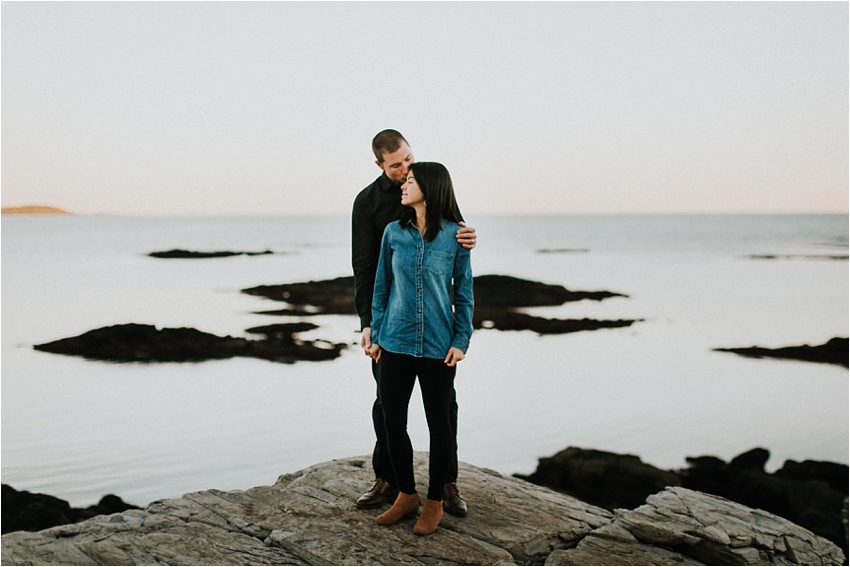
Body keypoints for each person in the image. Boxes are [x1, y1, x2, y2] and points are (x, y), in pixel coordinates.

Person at [351, 130, 475, 516]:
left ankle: (446, 484)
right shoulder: (369, 204)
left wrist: (466, 234)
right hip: (392, 327)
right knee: (386, 407)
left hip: (435, 332)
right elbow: (367, 268)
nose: (405, 171)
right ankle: (390, 480)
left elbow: (454, 242)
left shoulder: (428, 181)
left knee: (444, 409)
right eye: (396, 166)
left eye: (408, 160)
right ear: (380, 166)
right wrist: (368, 323)